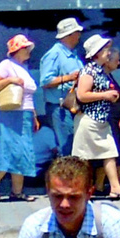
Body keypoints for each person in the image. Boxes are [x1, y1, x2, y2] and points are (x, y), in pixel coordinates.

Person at [72, 34, 120, 199]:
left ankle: (115, 188)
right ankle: (79, 188)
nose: (108, 53)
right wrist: (105, 95)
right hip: (89, 120)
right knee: (84, 158)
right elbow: (82, 95)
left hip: (100, 120)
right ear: (96, 53)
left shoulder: (100, 70)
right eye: (105, 50)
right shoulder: (89, 70)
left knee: (110, 153)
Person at [0, 34, 40, 202]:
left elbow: (29, 97)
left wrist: (34, 116)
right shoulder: (6, 65)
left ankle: (17, 191)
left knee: (22, 151)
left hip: (24, 114)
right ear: (17, 50)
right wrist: (10, 80)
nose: (29, 51)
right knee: (9, 149)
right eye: (25, 48)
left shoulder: (23, 67)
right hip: (8, 113)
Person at [39, 17, 86, 153]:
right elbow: (45, 81)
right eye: (77, 32)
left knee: (73, 145)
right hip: (60, 109)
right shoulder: (54, 55)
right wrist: (69, 78)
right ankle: (66, 174)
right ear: (69, 35)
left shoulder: (72, 54)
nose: (79, 35)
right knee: (66, 147)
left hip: (71, 107)